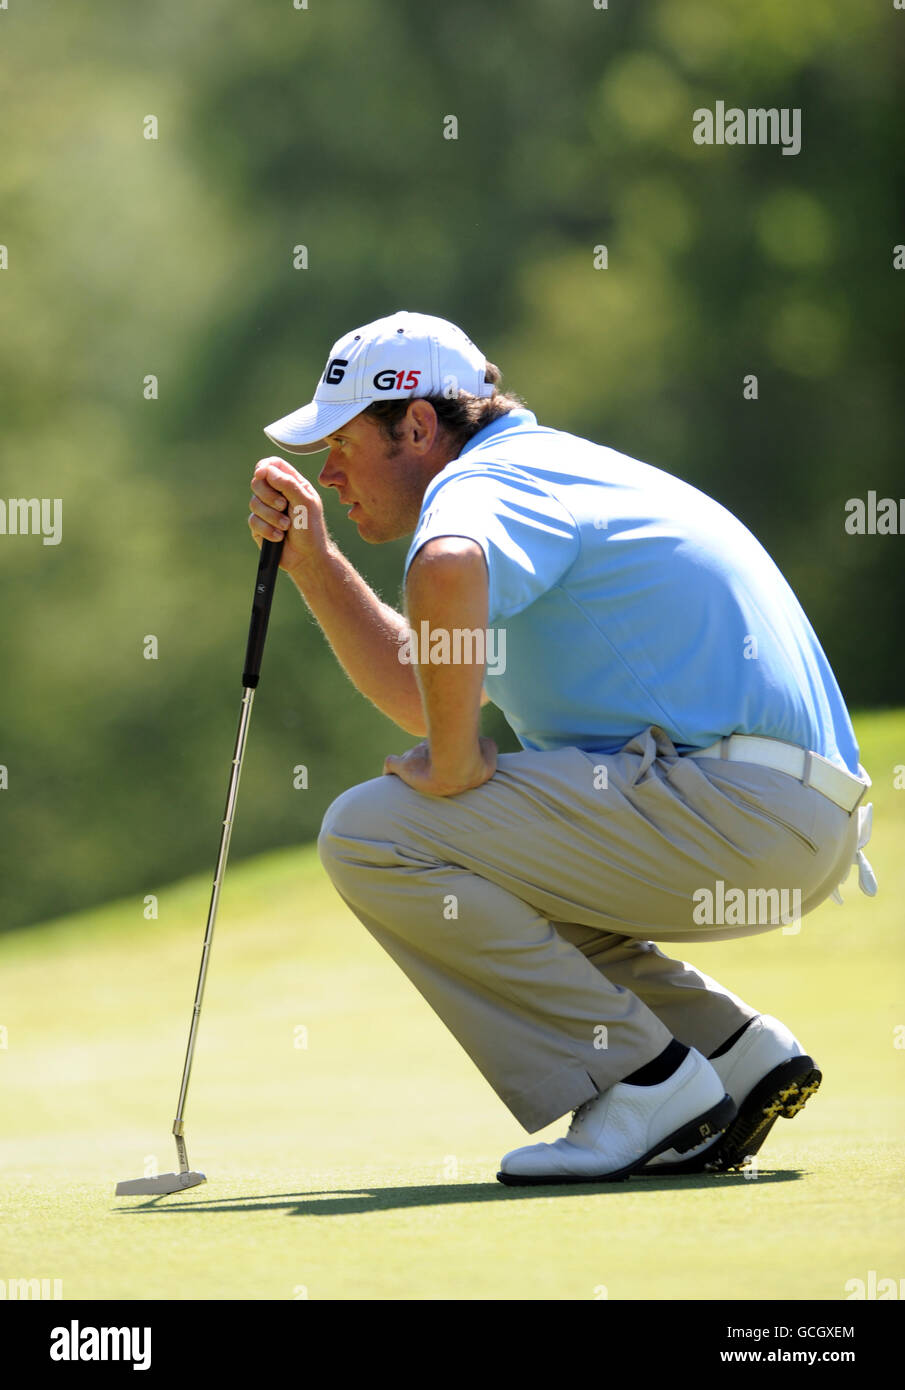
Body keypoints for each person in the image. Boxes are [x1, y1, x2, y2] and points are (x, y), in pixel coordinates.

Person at [248, 309, 877, 1185]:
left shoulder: (482, 487)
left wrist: (461, 762)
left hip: (739, 812)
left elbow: (447, 566)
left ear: (419, 425)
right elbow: (420, 686)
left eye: (343, 443)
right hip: (786, 816)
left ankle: (643, 1083)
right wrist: (314, 562)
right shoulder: (551, 471)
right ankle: (726, 1052)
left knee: (372, 833)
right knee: (476, 850)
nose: (333, 472)